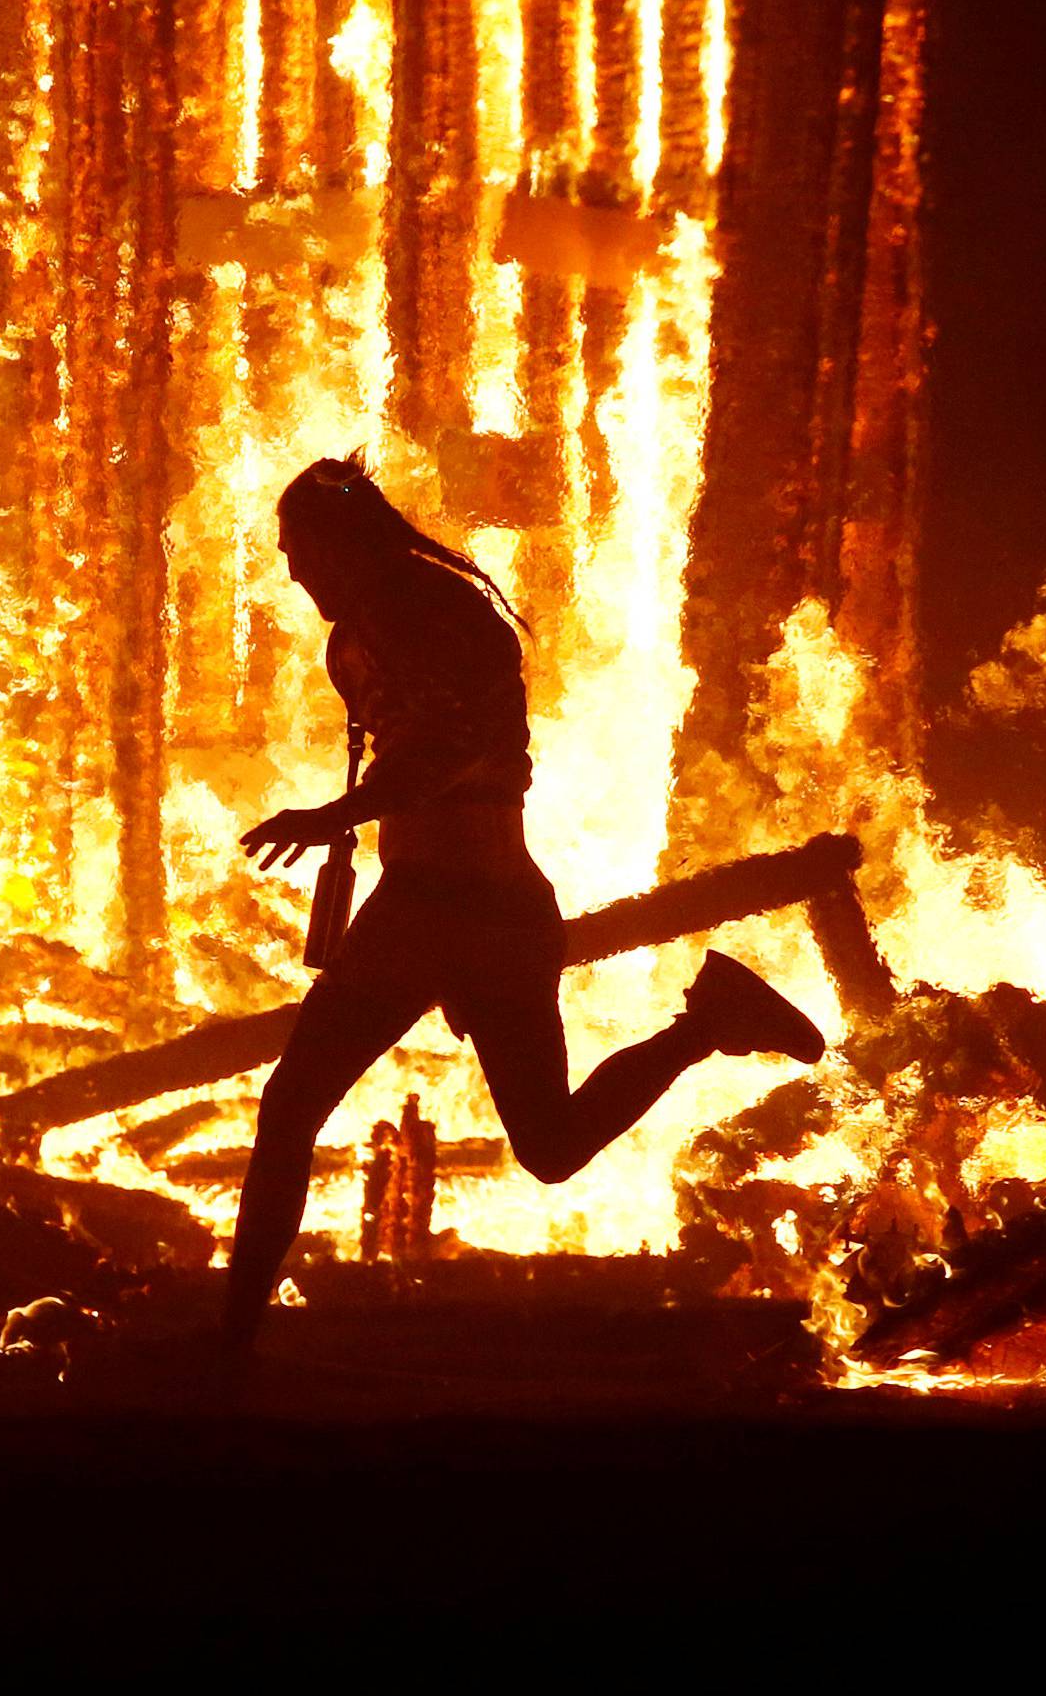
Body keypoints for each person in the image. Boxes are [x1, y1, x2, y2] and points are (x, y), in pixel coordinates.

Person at [226, 454, 824, 1351]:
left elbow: (451, 746)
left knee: (293, 1106)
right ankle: (708, 1023)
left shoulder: (403, 608)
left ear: (336, 542)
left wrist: (334, 815)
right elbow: (452, 741)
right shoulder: (402, 610)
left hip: (438, 906)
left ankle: (231, 1343)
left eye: (297, 548)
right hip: (490, 903)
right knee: (546, 1145)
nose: (293, 570)